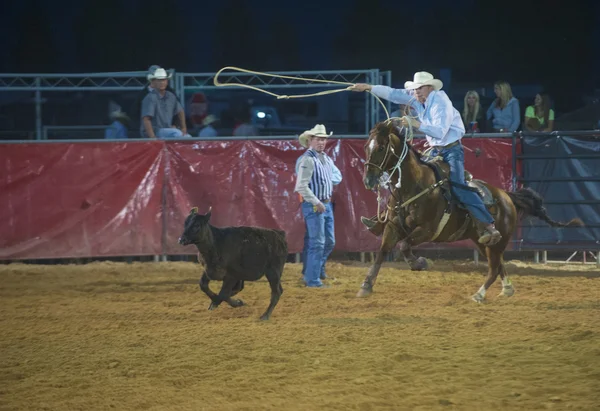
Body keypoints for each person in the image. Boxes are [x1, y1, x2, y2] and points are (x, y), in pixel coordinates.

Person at [350, 71, 502, 246]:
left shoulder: (441, 102)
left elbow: (440, 131)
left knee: (458, 185)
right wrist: (368, 87)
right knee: (409, 178)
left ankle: (488, 224)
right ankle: (384, 219)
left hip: (451, 150)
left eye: (420, 88)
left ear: (430, 87)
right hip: (435, 149)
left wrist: (414, 123)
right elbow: (393, 94)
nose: (416, 92)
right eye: (415, 89)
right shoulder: (417, 97)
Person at [294, 124, 342, 287]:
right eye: (318, 139)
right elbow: (301, 186)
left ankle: (314, 272)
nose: (322, 142)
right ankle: (312, 279)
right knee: (318, 242)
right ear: (310, 140)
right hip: (315, 205)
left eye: (323, 139)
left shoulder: (325, 159)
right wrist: (316, 201)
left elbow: (336, 177)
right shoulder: (307, 159)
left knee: (328, 241)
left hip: (325, 204)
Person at [140, 67, 190, 139]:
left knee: (188, 137)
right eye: (159, 80)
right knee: (176, 133)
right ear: (154, 82)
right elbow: (146, 119)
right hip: (155, 131)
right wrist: (153, 138)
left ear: (167, 81)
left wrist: (183, 128)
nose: (162, 83)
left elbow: (180, 111)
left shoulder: (171, 96)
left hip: (166, 130)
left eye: (163, 80)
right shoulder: (150, 98)